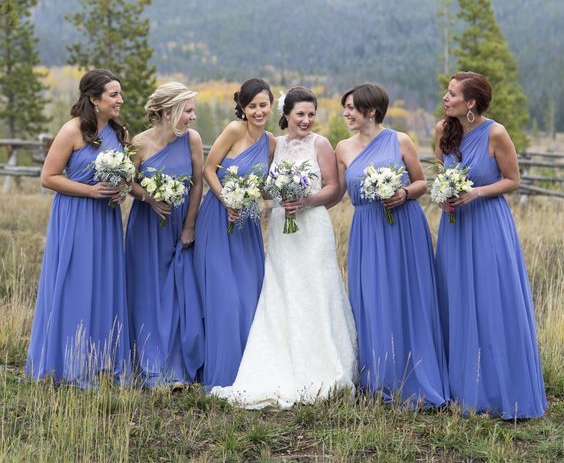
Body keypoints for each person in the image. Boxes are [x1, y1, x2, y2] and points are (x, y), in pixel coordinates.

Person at [212, 87, 358, 409]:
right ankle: (279, 363)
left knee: (316, 289)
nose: (306, 120)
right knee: (282, 290)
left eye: (311, 114)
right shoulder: (275, 146)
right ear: (287, 115)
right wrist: (256, 192)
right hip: (282, 227)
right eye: (300, 114)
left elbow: (334, 188)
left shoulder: (321, 144)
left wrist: (305, 200)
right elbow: (267, 189)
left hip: (312, 227)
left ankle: (323, 367)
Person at [435, 71, 546, 418]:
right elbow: (441, 176)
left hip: (488, 224)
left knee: (490, 299)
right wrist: (443, 198)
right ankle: (462, 388)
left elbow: (513, 180)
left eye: (452, 94)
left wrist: (477, 192)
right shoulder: (442, 131)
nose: (446, 98)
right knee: (457, 299)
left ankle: (501, 389)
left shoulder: (495, 133)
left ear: (471, 103)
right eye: (447, 92)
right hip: (454, 226)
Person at [336, 82, 448, 407]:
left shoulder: (400, 140)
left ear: (371, 111)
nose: (346, 113)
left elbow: (422, 183)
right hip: (366, 230)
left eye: (351, 107)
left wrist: (403, 193)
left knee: (407, 296)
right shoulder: (342, 148)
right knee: (372, 297)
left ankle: (416, 375)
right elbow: (334, 191)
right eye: (345, 107)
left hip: (404, 228)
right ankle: (380, 376)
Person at [26, 69, 130, 386]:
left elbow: (125, 176)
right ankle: (67, 361)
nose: (120, 100)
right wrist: (90, 191)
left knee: (103, 283)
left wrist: (122, 188)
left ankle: (100, 358)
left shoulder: (120, 132)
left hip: (106, 219)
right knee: (75, 283)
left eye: (120, 94)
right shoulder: (72, 131)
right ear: (94, 99)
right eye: (114, 94)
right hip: (75, 215)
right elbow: (48, 177)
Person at [194, 77, 275, 388]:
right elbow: (208, 168)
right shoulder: (233, 130)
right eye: (252, 105)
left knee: (248, 296)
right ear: (242, 107)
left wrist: (284, 193)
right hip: (217, 217)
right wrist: (226, 198)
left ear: (271, 105)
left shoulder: (271, 142)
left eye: (263, 105)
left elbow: (265, 187)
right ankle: (220, 372)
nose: (257, 111)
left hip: (247, 225)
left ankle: (248, 370)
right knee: (224, 298)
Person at [125, 82, 204, 387]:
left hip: (178, 225)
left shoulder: (192, 140)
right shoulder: (140, 143)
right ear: (169, 111)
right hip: (146, 227)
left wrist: (189, 225)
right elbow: (127, 181)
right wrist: (149, 197)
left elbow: (197, 183)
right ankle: (148, 366)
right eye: (188, 110)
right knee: (146, 292)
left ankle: (177, 368)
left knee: (177, 295)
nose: (192, 117)